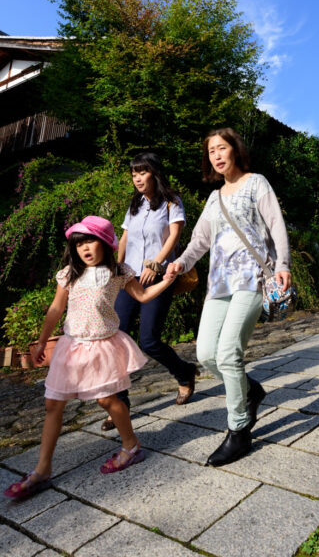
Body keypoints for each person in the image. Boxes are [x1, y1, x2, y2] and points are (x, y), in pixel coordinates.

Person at [4, 216, 176, 499]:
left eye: (90, 241)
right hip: (70, 347)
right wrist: (42, 341)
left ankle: (131, 446)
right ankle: (42, 469)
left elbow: (143, 296)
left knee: (107, 400)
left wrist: (167, 280)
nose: (84, 248)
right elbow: (56, 308)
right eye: (79, 243)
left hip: (101, 346)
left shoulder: (118, 271)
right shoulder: (69, 273)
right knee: (52, 404)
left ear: (106, 243)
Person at [166, 128, 290, 467]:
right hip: (219, 284)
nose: (217, 155)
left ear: (235, 150)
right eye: (211, 152)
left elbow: (276, 225)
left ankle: (239, 430)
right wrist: (179, 263)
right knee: (207, 355)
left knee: (228, 353)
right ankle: (251, 391)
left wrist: (283, 263)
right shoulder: (213, 198)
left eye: (222, 148)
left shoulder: (256, 183)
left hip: (251, 279)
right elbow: (198, 243)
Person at [99, 153, 199, 432]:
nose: (138, 179)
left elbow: (175, 236)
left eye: (142, 173)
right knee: (117, 338)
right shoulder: (134, 205)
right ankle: (121, 404)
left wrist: (156, 264)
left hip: (159, 277)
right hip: (129, 278)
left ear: (154, 173)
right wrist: (118, 268)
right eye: (134, 174)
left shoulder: (172, 202)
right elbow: (126, 238)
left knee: (150, 341)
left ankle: (184, 372)